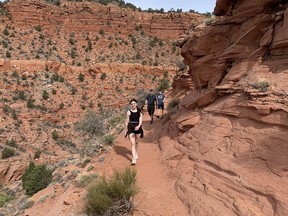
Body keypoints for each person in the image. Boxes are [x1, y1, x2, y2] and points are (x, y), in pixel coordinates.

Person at [125, 99, 143, 165]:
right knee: (132, 143)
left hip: (138, 127)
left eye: (134, 103)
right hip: (131, 128)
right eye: (132, 104)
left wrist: (138, 126)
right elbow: (127, 121)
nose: (133, 105)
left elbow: (141, 121)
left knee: (137, 142)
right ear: (130, 105)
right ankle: (134, 159)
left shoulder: (139, 113)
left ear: (136, 104)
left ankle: (136, 152)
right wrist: (125, 130)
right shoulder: (128, 112)